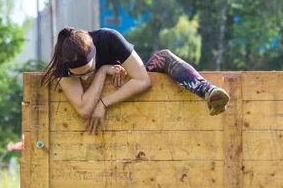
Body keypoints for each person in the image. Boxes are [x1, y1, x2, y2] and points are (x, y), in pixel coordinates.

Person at [41, 27, 230, 135]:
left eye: (89, 70)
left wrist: (104, 102)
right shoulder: (62, 62)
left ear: (96, 53)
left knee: (162, 57)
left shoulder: (110, 39)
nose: (85, 78)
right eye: (78, 76)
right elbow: (83, 109)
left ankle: (207, 91)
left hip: (132, 96)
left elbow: (143, 80)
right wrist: (101, 72)